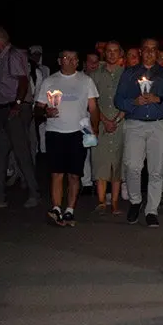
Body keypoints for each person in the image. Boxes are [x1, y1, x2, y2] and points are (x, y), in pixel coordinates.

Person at [115, 39, 163, 228]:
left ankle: (152, 209)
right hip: (135, 123)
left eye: (153, 50)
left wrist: (158, 99)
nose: (150, 53)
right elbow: (118, 99)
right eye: (146, 50)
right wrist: (133, 103)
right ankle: (135, 201)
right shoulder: (129, 73)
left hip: (159, 125)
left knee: (156, 170)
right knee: (132, 166)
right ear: (141, 52)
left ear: (157, 52)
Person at [35, 50, 100, 226]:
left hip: (78, 132)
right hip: (55, 132)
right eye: (65, 58)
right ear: (59, 60)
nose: (70, 61)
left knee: (74, 174)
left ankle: (70, 209)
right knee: (56, 173)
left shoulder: (86, 80)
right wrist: (45, 112)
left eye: (73, 58)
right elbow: (38, 107)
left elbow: (93, 107)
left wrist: (95, 127)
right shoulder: (50, 81)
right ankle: (56, 208)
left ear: (78, 62)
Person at [0, 27, 40, 210]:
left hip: (16, 109)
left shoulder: (13, 54)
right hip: (4, 110)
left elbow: (22, 80)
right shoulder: (4, 58)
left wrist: (17, 104)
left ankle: (34, 194)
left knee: (22, 153)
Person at [89, 42, 126, 214]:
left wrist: (116, 120)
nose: (111, 54)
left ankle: (115, 202)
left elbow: (129, 100)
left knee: (117, 164)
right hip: (101, 123)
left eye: (115, 51)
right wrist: (104, 120)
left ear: (120, 54)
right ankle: (102, 200)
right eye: (108, 51)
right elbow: (92, 102)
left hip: (120, 123)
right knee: (100, 161)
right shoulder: (94, 75)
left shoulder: (126, 75)